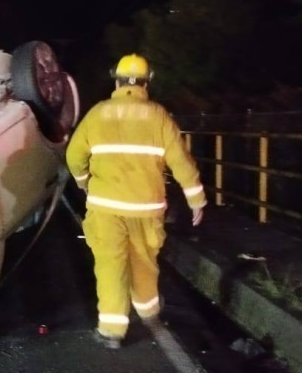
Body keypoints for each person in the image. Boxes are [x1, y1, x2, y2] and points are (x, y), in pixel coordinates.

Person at [65, 54, 207, 349]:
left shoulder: (98, 113)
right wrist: (197, 199)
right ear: (146, 81)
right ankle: (148, 309)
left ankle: (112, 331)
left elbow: (74, 155)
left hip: (106, 206)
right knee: (144, 259)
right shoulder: (159, 115)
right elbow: (181, 161)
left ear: (116, 80)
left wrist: (83, 181)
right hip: (146, 207)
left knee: (110, 265)